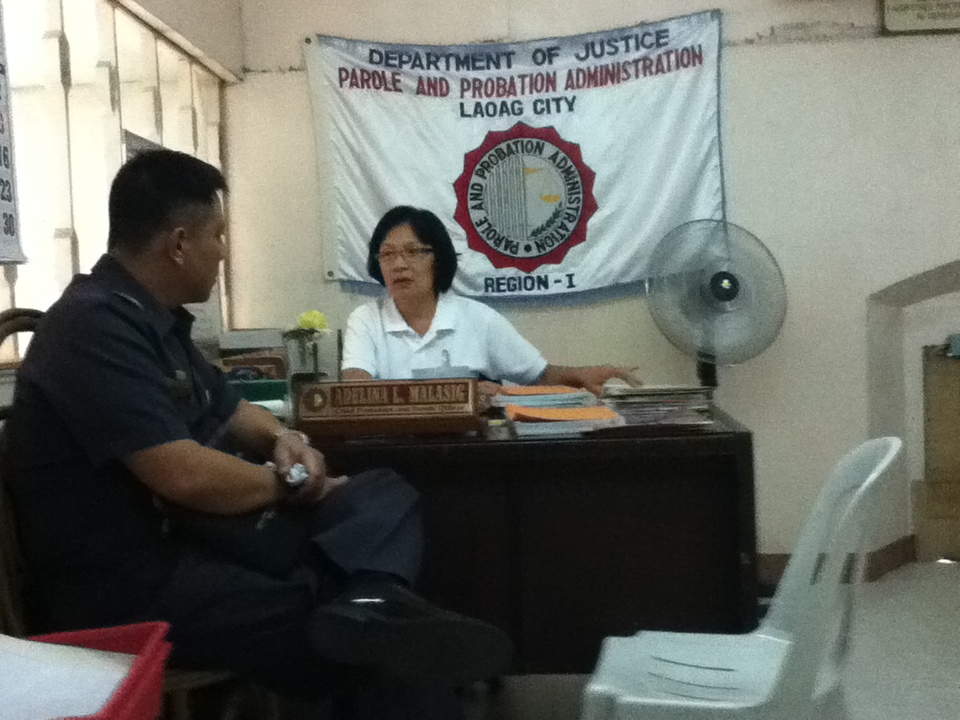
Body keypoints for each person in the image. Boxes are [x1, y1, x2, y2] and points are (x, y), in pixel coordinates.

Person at [10, 150, 510, 718]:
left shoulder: (153, 319)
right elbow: (184, 475)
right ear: (179, 243)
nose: (223, 251)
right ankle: (373, 612)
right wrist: (291, 484)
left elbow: (233, 409)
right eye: (218, 235)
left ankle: (372, 598)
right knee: (370, 641)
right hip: (134, 584)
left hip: (214, 538)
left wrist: (283, 441)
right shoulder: (93, 324)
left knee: (382, 494)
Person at [342, 206, 637, 396]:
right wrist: (463, 394)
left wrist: (581, 374)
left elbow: (538, 375)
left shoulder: (477, 318)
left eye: (413, 252)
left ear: (439, 258)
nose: (399, 264)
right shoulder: (366, 319)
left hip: (467, 452)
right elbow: (356, 392)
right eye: (388, 254)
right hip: (388, 452)